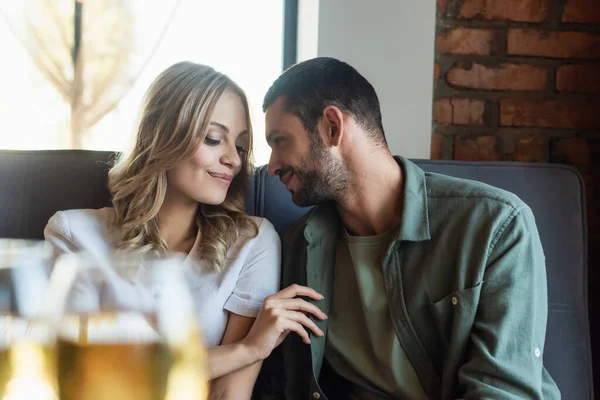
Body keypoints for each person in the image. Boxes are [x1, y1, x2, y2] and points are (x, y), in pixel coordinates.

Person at [257, 57, 560, 399]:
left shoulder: (495, 226)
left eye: (280, 141)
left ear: (331, 126)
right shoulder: (300, 244)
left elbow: (500, 392)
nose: (272, 167)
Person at [44, 61, 326, 399]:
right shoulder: (73, 233)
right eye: (213, 139)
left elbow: (228, 394)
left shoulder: (253, 241)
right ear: (160, 135)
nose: (234, 160)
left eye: (239, 146)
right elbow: (81, 373)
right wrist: (247, 350)